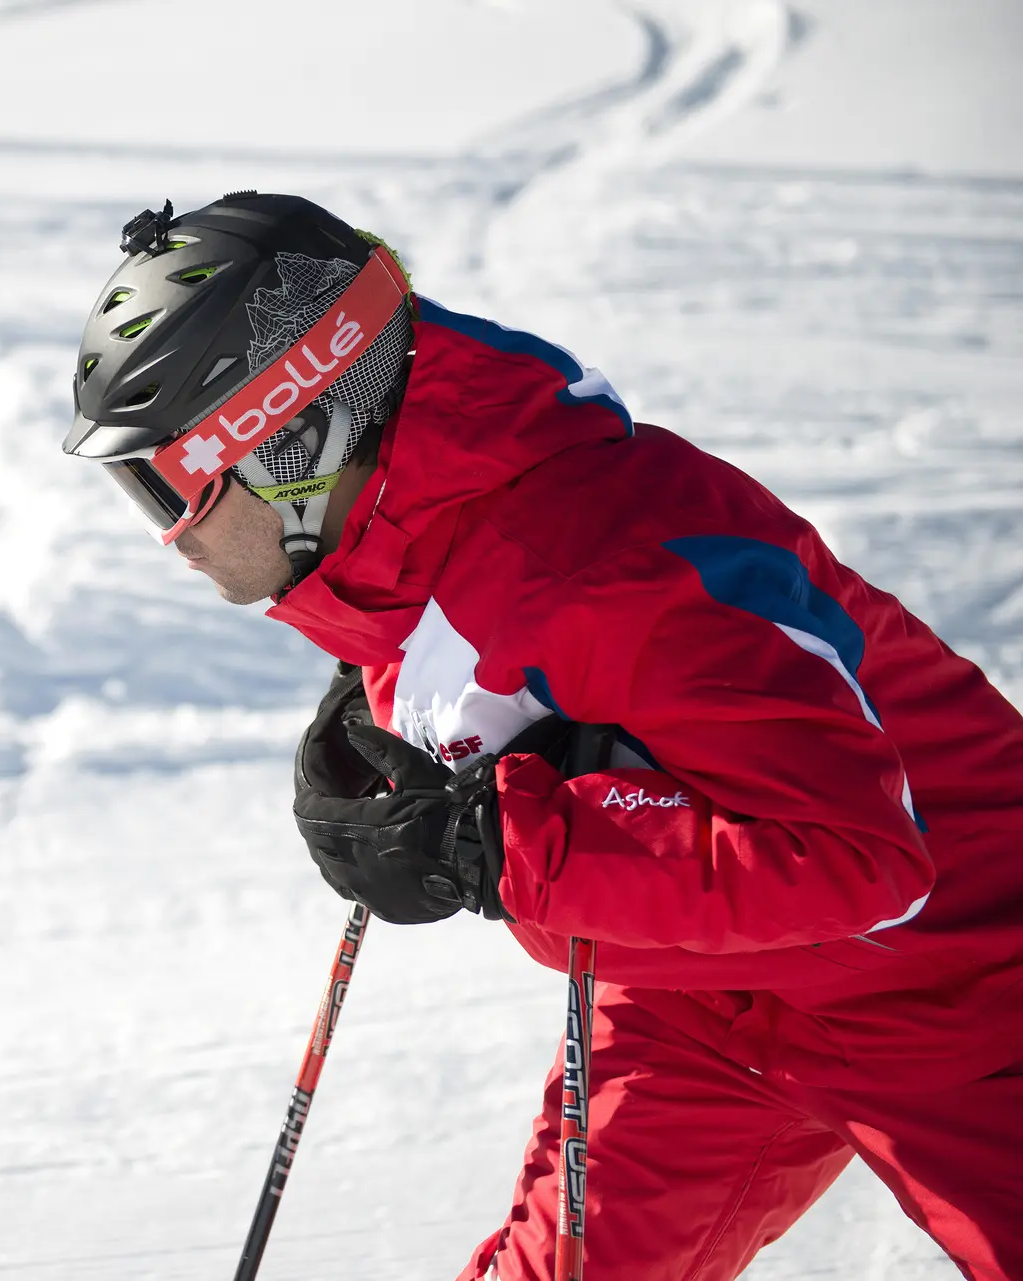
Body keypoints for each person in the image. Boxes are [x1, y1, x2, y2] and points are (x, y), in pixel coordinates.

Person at [64, 192, 1023, 1280]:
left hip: (966, 984)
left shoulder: (614, 561)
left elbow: (866, 865)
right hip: (700, 999)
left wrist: (496, 849)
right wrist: (387, 735)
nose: (170, 540)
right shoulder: (401, 533)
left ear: (292, 444)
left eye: (169, 487)